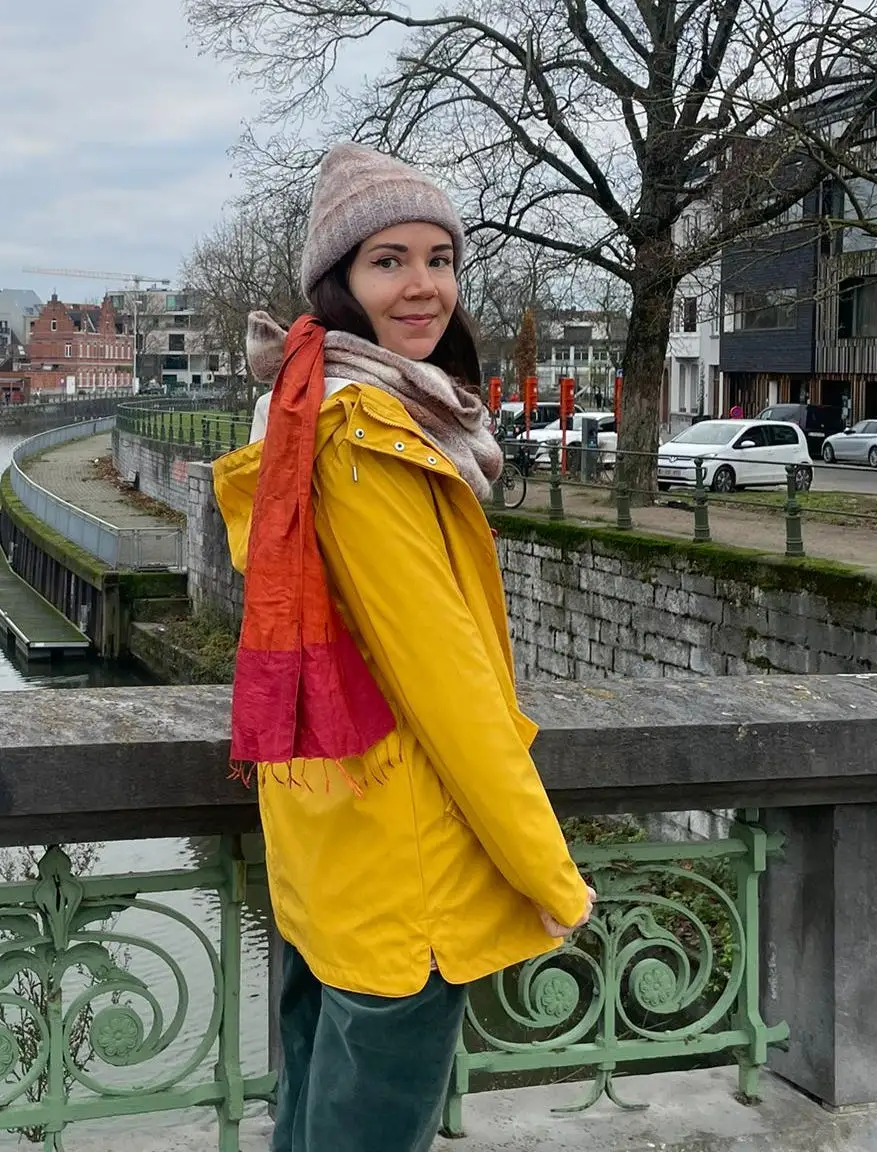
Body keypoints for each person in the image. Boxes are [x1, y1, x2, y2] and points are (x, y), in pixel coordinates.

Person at [212, 142, 595, 1152]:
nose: (424, 284)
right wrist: (548, 872)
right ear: (341, 283)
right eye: (389, 261)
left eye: (440, 257)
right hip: (407, 872)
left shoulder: (311, 408)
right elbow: (447, 684)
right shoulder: (364, 436)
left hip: (334, 850)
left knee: (311, 1120)